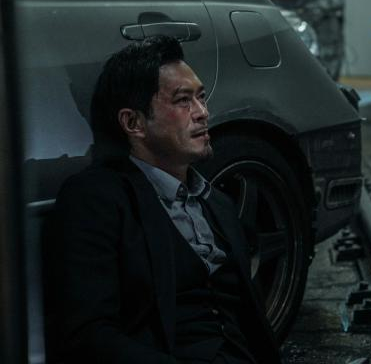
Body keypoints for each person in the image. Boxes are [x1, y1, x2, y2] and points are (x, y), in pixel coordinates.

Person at [45, 36, 281, 364]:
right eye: (183, 101)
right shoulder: (95, 200)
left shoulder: (218, 204)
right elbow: (87, 335)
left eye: (201, 97)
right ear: (133, 123)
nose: (203, 113)